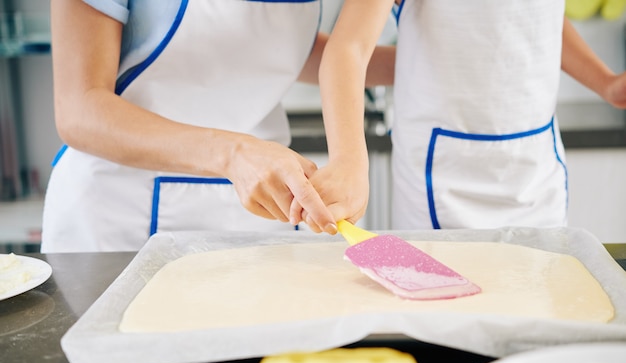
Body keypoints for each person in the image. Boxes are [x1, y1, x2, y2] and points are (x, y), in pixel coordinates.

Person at [41, 0, 395, 253]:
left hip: (256, 216)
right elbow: (79, 108)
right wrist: (234, 154)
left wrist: (423, 65)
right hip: (118, 219)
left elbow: (269, 48)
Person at [317, 0, 626, 230]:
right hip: (442, 184)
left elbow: (539, 15)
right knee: (442, 311)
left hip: (537, 176)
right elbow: (349, 49)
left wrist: (606, 84)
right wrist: (348, 161)